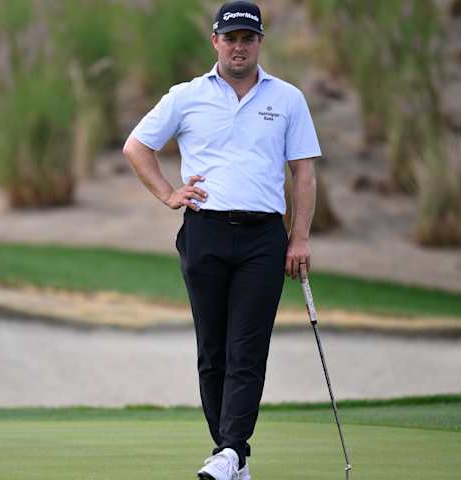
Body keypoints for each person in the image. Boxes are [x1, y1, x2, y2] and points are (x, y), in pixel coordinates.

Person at [122, 1, 320, 479]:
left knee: (246, 350)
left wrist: (299, 239)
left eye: (247, 38)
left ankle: (231, 450)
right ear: (215, 41)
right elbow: (137, 146)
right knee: (212, 352)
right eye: (230, 38)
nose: (238, 47)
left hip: (263, 239)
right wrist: (168, 193)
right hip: (204, 231)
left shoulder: (287, 98)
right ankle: (230, 456)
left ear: (260, 42)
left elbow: (304, 173)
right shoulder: (186, 96)